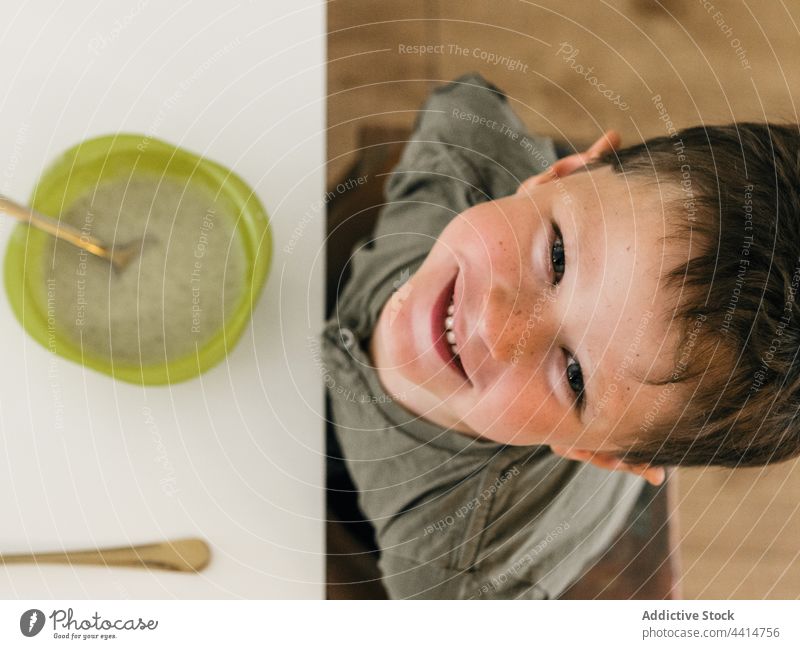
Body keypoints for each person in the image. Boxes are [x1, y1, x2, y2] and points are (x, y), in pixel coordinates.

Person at [321, 72, 800, 598]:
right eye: (557, 257)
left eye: (574, 375)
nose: (495, 325)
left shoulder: (451, 573)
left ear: (596, 453)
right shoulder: (464, 156)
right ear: (558, 175)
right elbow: (463, 100)